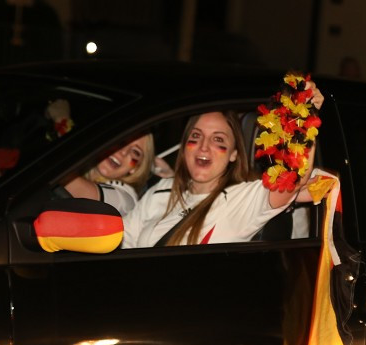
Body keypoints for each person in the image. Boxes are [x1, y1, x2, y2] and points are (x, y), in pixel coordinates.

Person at [122, 82, 324, 248]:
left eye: (218, 140)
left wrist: (304, 116)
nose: (204, 147)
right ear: (184, 146)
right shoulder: (160, 190)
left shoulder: (240, 199)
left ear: (234, 154)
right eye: (196, 136)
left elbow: (291, 179)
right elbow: (124, 245)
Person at [0, 96, 154, 214]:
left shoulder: (124, 198)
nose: (123, 151)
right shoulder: (74, 174)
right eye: (121, 141)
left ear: (136, 169)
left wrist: (62, 123)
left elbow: (68, 180)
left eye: (135, 152)